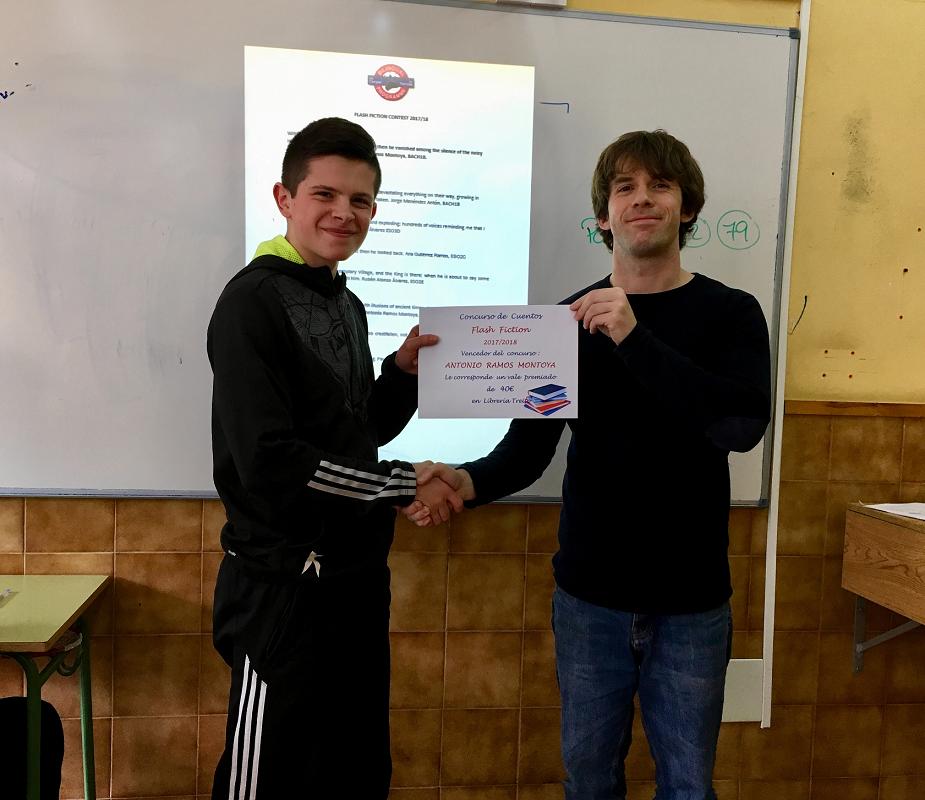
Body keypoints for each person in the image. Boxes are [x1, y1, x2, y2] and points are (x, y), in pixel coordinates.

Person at [411, 130, 772, 800]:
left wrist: (633, 336)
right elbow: (527, 451)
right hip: (589, 599)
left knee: (688, 786)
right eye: (624, 188)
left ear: (688, 208)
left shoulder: (730, 313)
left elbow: (740, 427)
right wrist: (466, 480)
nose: (642, 199)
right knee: (588, 781)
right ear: (602, 216)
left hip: (691, 601)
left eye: (660, 186)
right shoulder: (564, 323)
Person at [207, 116, 460, 800]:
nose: (344, 213)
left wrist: (401, 373)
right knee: (268, 778)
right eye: (325, 194)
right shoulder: (250, 301)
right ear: (284, 198)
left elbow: (356, 433)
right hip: (282, 590)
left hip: (353, 581)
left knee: (353, 769)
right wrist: (402, 484)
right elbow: (270, 460)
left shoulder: (345, 301)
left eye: (360, 200)